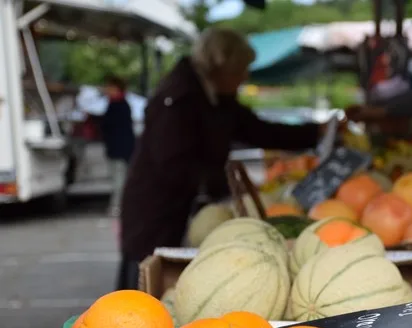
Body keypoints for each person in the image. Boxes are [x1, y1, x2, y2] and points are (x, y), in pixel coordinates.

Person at [117, 28, 323, 291]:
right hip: (155, 212)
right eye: (241, 69)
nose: (245, 76)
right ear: (221, 66)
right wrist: (231, 183)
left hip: (182, 209)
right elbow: (174, 167)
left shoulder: (216, 95)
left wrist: (317, 131)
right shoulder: (179, 99)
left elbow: (258, 130)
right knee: (144, 284)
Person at [101, 75, 135, 216]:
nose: (106, 90)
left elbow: (110, 126)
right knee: (119, 178)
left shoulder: (117, 105)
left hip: (119, 149)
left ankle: (118, 206)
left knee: (118, 179)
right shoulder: (120, 104)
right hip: (121, 149)